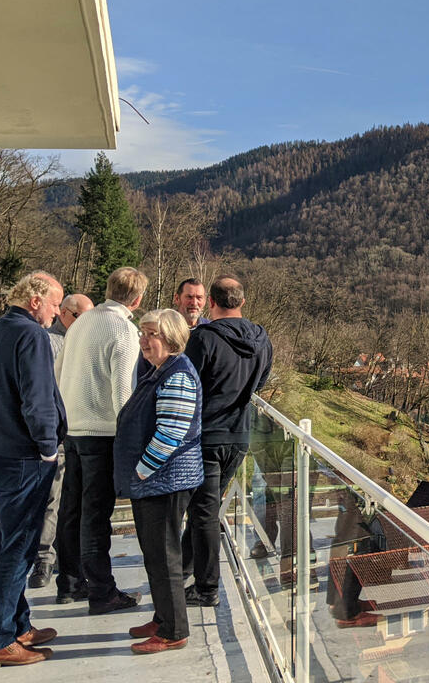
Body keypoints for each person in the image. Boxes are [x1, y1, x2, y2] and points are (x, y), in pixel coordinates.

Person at [0, 271, 65, 668]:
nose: (57, 312)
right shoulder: (31, 336)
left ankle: (17, 625)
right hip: (24, 459)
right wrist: (48, 448)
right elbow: (38, 398)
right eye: (54, 303)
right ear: (34, 301)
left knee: (7, 544)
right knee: (18, 550)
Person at [55, 267, 147, 614]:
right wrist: (131, 441)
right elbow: (123, 391)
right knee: (95, 516)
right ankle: (103, 592)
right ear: (136, 300)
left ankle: (70, 583)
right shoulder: (123, 330)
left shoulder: (80, 322)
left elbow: (58, 371)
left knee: (72, 510)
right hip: (101, 433)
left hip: (73, 429)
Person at [114, 309, 204, 654]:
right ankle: (163, 616)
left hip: (164, 481)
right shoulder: (159, 370)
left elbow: (170, 434)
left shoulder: (177, 374)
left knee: (164, 556)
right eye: (142, 333)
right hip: (155, 481)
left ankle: (173, 630)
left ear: (170, 338)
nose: (143, 340)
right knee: (154, 553)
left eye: (150, 334)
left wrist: (140, 470)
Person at [182, 276, 272, 607]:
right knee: (206, 509)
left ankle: (206, 588)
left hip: (205, 435)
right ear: (242, 302)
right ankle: (183, 568)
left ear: (211, 303)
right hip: (240, 434)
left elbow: (188, 384)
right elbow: (260, 381)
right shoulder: (262, 339)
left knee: (202, 512)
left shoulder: (203, 338)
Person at [29, 293, 93, 590]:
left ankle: (73, 565)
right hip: (58, 434)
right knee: (52, 499)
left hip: (81, 430)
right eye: (84, 317)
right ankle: (44, 559)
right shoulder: (48, 342)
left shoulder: (85, 339)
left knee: (75, 501)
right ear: (66, 314)